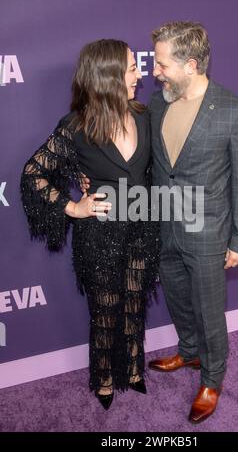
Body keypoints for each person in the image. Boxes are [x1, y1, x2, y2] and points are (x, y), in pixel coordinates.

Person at [20, 39, 160, 411]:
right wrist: (73, 207)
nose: (140, 74)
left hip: (142, 230)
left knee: (135, 304)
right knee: (106, 309)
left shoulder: (145, 115)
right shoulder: (77, 126)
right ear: (108, 75)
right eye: (132, 68)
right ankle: (104, 378)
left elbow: (153, 171)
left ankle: (132, 367)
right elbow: (33, 175)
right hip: (99, 236)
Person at [146, 21, 238, 423]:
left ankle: (212, 378)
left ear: (190, 64)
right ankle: (189, 352)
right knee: (177, 298)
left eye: (160, 64)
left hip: (209, 232)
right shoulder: (157, 103)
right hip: (165, 228)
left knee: (211, 310)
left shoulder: (233, 109)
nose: (153, 71)